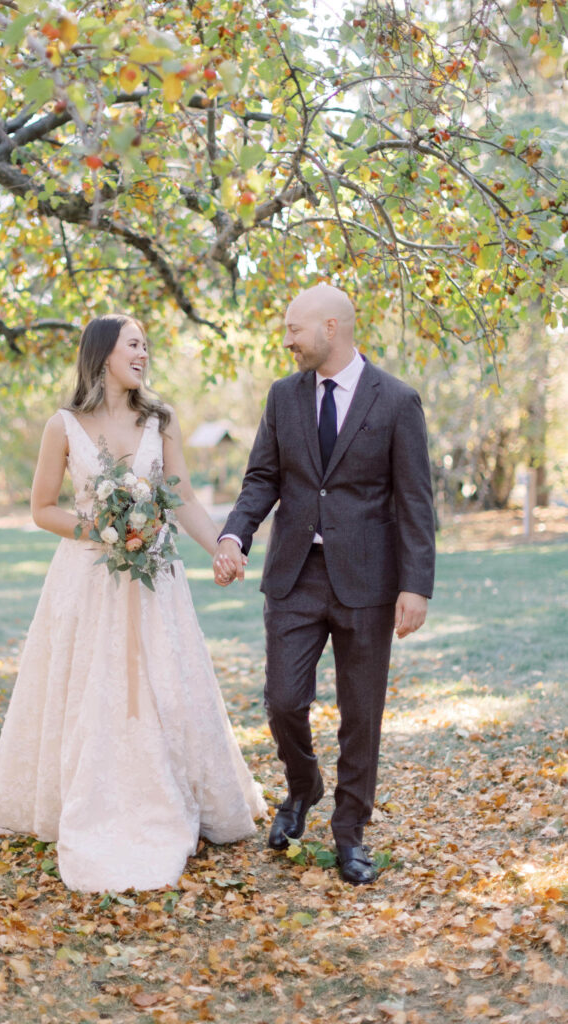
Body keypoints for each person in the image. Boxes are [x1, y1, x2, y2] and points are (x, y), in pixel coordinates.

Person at [0, 314, 265, 892]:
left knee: (163, 683)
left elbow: (180, 496)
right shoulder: (62, 427)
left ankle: (167, 792)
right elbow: (42, 509)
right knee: (93, 686)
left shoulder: (161, 420)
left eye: (145, 345)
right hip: (88, 583)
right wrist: (101, 527)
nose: (143, 354)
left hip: (156, 581)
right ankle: (88, 799)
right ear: (104, 353)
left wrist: (220, 548)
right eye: (134, 344)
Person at [213, 283, 435, 885]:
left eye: (294, 329)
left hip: (369, 582)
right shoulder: (283, 397)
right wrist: (234, 537)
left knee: (362, 713)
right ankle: (303, 784)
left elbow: (416, 500)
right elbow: (261, 477)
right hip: (293, 575)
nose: (286, 341)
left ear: (332, 327)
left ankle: (350, 832)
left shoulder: (397, 400)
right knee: (283, 701)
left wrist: (416, 585)